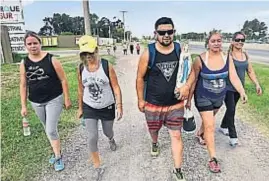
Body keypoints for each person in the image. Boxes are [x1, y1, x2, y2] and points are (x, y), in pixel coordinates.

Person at [136, 17, 195, 181]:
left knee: (176, 136)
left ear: (174, 32)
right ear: (156, 34)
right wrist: (140, 100)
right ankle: (154, 142)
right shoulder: (149, 53)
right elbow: (140, 78)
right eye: (162, 32)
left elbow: (191, 73)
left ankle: (178, 169)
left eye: (170, 31)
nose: (166, 35)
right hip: (153, 104)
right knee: (154, 130)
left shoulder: (180, 50)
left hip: (175, 104)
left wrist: (186, 86)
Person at [186, 30, 248, 173]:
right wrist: (188, 100)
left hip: (219, 98)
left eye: (219, 41)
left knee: (209, 121)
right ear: (207, 43)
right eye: (213, 41)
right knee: (210, 126)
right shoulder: (200, 59)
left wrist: (242, 91)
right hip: (203, 97)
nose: (216, 43)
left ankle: (199, 133)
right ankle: (213, 158)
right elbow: (193, 80)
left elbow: (233, 77)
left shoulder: (227, 58)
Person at [20, 31, 71, 171]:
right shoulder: (24, 63)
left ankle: (58, 156)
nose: (32, 46)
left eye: (35, 43)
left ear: (40, 43)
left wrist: (67, 98)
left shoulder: (51, 59)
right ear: (25, 46)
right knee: (47, 128)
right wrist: (23, 105)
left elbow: (63, 79)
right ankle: (56, 151)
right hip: (36, 101)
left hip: (54, 99)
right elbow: (23, 85)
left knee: (50, 129)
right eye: (29, 44)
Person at [77, 35, 123, 178]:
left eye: (90, 53)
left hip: (107, 106)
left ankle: (111, 139)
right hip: (89, 106)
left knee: (107, 131)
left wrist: (119, 105)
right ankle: (97, 166)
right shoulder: (80, 68)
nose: (88, 56)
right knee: (92, 136)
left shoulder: (106, 65)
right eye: (84, 54)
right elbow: (81, 89)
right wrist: (80, 108)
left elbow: (115, 87)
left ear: (96, 50)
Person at [219, 32, 262, 146]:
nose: (240, 42)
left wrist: (257, 84)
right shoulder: (228, 55)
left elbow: (250, 71)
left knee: (230, 109)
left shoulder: (245, 55)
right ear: (232, 41)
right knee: (231, 110)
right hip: (228, 88)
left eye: (242, 40)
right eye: (237, 40)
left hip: (239, 89)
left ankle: (223, 126)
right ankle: (233, 137)